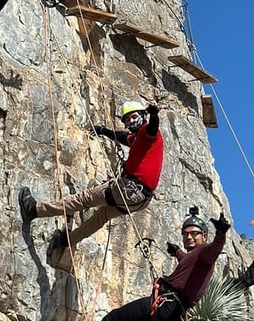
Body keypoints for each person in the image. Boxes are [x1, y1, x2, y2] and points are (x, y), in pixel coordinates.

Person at [51, 209, 231, 321]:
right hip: (171, 314)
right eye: (185, 234)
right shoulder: (195, 257)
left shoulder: (206, 252)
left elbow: (214, 249)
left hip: (165, 305)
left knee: (112, 320)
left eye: (194, 233)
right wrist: (176, 251)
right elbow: (186, 260)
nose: (188, 236)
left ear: (204, 237)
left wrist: (221, 234)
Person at [19, 99, 164, 257]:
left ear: (143, 116)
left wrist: (154, 114)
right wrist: (103, 130)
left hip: (129, 189)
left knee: (85, 199)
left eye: (134, 117)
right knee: (101, 217)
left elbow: (152, 127)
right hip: (140, 200)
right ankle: (66, 241)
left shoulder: (149, 132)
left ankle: (34, 210)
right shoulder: (138, 138)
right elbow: (123, 137)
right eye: (127, 120)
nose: (131, 121)